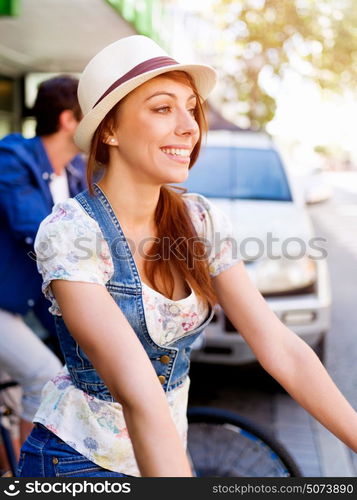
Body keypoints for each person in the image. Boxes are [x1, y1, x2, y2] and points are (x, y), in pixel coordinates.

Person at [17, 35, 357, 478]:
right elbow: (138, 391)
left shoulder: (199, 219)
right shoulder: (71, 231)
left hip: (167, 451)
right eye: (163, 108)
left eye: (191, 107)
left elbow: (281, 348)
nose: (190, 125)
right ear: (111, 131)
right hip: (77, 462)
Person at [0, 75, 87, 466]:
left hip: (24, 304)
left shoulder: (73, 173)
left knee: (19, 396)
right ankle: (25, 479)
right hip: (4, 303)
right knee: (43, 376)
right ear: (69, 120)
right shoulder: (12, 160)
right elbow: (35, 230)